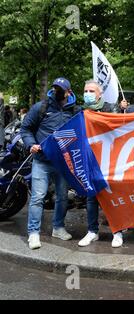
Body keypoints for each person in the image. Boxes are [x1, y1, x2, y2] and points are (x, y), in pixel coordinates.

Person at [20, 77, 77, 250]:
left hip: (62, 163)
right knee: (37, 198)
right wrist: (31, 144)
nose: (56, 91)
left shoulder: (75, 110)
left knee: (62, 197)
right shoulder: (41, 107)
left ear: (68, 92)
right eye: (55, 88)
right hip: (42, 161)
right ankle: (33, 233)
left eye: (60, 89)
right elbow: (26, 128)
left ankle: (58, 228)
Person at [76, 80, 125, 248]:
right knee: (91, 199)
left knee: (112, 197)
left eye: (91, 90)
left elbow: (118, 129)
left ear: (99, 94)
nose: (88, 93)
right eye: (86, 90)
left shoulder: (111, 108)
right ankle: (92, 231)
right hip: (89, 160)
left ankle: (117, 232)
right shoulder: (80, 111)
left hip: (109, 160)